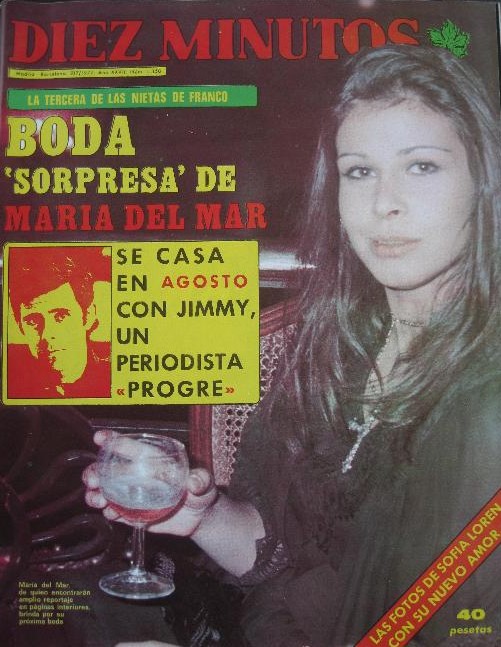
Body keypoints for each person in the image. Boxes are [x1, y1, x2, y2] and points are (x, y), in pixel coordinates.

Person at [84, 44, 501, 647]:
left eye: (421, 166)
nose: (384, 203)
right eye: (359, 171)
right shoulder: (336, 347)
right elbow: (285, 556)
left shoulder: (483, 409)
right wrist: (200, 515)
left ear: (483, 183)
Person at [7, 246, 111, 398]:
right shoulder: (14, 385)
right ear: (20, 327)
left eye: (61, 316)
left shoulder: (114, 380)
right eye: (33, 321)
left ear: (88, 316)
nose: (47, 335)